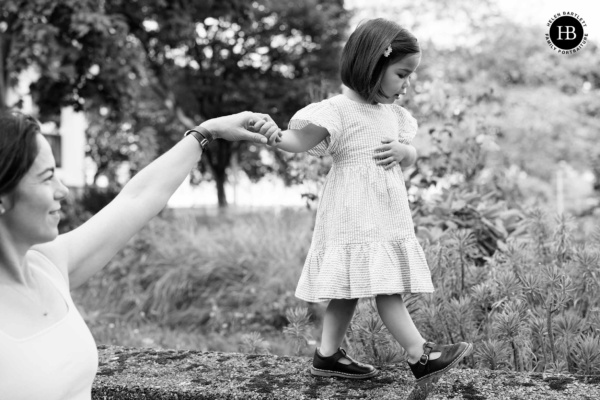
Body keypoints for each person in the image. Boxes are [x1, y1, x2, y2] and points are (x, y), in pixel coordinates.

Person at [0, 110, 278, 400]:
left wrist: (207, 131)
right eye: (46, 178)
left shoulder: (47, 265)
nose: (63, 190)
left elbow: (137, 199)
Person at [258, 18, 472, 386]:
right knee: (385, 285)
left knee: (349, 288)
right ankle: (420, 354)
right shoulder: (337, 110)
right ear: (373, 65)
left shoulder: (392, 115)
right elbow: (298, 142)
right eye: (402, 74)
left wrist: (406, 151)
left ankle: (327, 356)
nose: (407, 84)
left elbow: (411, 155)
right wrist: (272, 136)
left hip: (385, 213)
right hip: (353, 211)